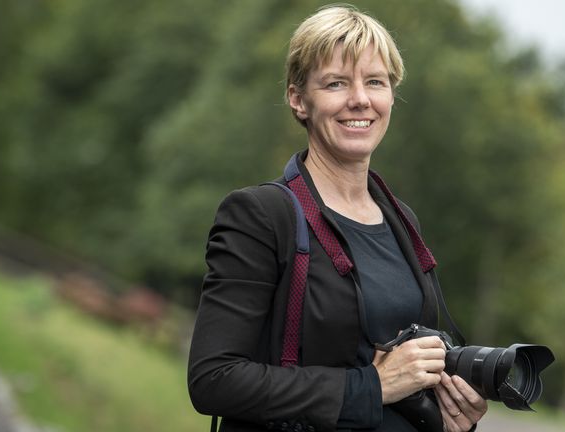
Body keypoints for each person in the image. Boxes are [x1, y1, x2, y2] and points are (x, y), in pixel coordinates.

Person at [188, 5, 488, 431]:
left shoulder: (403, 221)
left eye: (375, 82)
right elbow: (213, 380)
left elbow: (407, 381)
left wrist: (450, 417)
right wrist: (371, 387)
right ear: (298, 99)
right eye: (336, 83)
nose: (360, 99)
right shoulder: (261, 216)